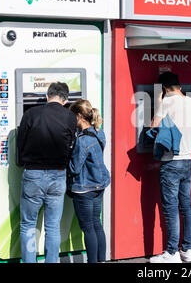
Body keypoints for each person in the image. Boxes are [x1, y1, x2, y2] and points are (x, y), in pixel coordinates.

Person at [16, 82, 77, 263]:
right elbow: (71, 146)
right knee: (52, 226)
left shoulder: (30, 114)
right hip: (58, 175)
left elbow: (20, 144)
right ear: (65, 100)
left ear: (47, 95)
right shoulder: (70, 117)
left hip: (33, 174)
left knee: (28, 225)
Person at [148, 72, 191, 263]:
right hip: (188, 160)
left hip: (171, 162)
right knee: (186, 206)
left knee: (170, 208)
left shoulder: (168, 102)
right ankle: (188, 250)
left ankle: (171, 253)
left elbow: (154, 125)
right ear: (179, 86)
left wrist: (158, 102)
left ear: (164, 88)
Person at [68, 99, 110, 263]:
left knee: (88, 228)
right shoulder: (99, 132)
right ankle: (101, 260)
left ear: (79, 116)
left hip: (84, 188)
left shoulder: (82, 140)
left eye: (72, 117)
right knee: (96, 224)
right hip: (99, 184)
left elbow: (74, 168)